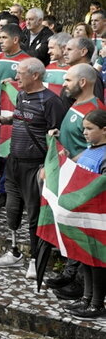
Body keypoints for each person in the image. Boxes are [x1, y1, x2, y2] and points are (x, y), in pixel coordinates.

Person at [0, 58, 65, 278]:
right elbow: (23, 117)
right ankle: (14, 252)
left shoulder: (50, 101)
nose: (16, 78)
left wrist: (47, 166)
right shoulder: (22, 95)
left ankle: (35, 259)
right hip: (14, 162)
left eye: (21, 73)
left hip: (35, 166)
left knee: (34, 214)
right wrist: (7, 120)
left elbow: (57, 137)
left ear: (35, 75)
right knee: (12, 209)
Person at [63, 109, 106, 320]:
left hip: (99, 217)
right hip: (85, 215)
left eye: (90, 129)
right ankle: (87, 298)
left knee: (97, 262)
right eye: (84, 129)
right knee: (85, 258)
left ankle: (97, 303)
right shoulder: (90, 149)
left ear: (104, 130)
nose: (85, 133)